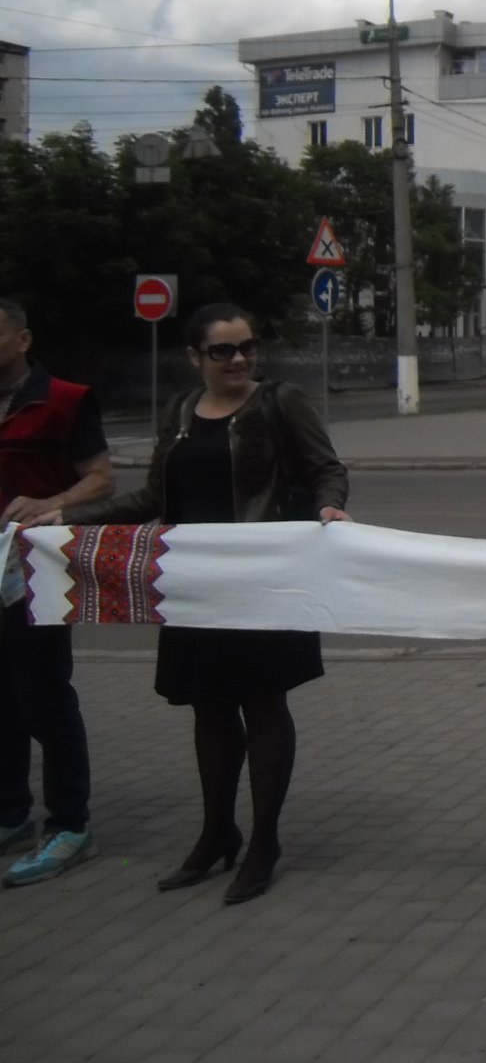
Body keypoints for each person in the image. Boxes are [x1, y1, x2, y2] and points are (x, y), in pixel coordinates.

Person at [52, 302, 348, 905]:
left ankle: (264, 842)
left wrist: (329, 506)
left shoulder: (279, 402)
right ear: (195, 357)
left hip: (265, 578)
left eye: (248, 347)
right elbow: (153, 499)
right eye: (223, 350)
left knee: (263, 705)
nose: (239, 359)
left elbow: (326, 469)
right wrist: (66, 519)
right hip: (195, 584)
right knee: (209, 708)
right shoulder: (181, 411)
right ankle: (218, 833)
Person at [0, 298, 115, 887]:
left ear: (23, 339)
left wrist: (52, 503)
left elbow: (101, 476)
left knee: (44, 695)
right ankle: (11, 815)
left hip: (36, 570)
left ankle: (70, 823)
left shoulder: (64, 400)